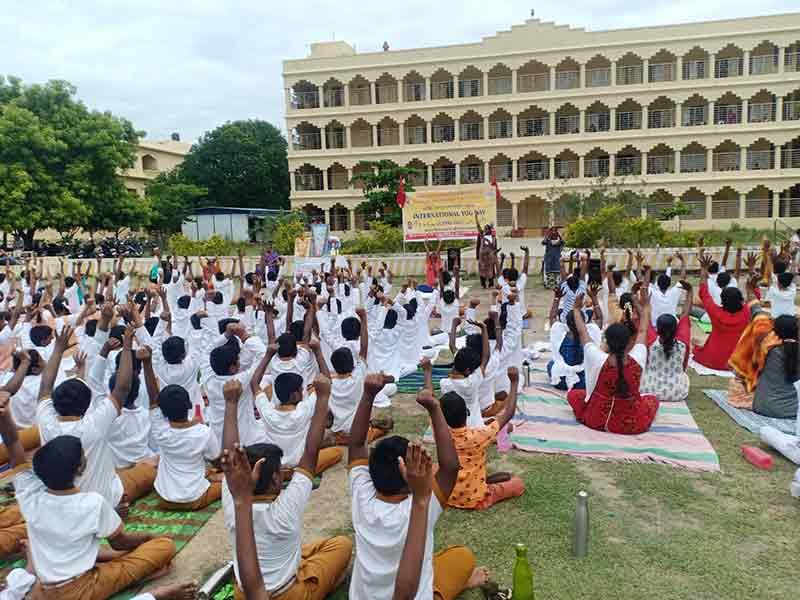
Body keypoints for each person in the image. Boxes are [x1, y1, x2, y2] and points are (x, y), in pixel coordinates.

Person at [0, 396, 182, 600]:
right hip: (83, 588)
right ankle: (135, 577)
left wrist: (5, 415)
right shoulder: (92, 503)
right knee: (164, 545)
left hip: (44, 591)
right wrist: (150, 537)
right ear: (80, 468)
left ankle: (112, 565)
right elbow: (120, 542)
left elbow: (13, 443)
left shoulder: (29, 495)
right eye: (83, 455)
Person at [347, 372, 488, 599]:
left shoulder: (361, 494)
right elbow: (451, 467)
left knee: (431, 562)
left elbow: (355, 445)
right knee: (462, 557)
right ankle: (450, 588)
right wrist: (434, 408)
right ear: (409, 478)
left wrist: (368, 395)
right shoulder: (421, 505)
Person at [221, 375, 353, 600]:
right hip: (288, 594)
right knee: (342, 544)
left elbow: (229, 456)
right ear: (275, 480)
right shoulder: (286, 507)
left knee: (308, 551)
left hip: (243, 594)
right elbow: (310, 453)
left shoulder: (234, 499)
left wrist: (230, 403)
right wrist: (323, 397)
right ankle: (320, 584)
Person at [567, 290, 660, 435]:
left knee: (574, 395)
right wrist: (645, 305)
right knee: (652, 400)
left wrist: (576, 309)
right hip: (630, 425)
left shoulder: (597, 358)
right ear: (630, 340)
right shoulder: (637, 358)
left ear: (607, 342)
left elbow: (582, 331)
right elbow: (643, 330)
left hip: (596, 420)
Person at [440, 366, 524, 510]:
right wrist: (514, 382)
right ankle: (485, 483)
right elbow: (508, 413)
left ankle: (484, 480)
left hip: (446, 494)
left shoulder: (440, 434)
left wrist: (428, 372)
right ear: (466, 414)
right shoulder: (479, 435)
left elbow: (430, 405)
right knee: (518, 483)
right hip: (475, 498)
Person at [150, 378, 222, 511]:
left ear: (162, 412)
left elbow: (153, 401)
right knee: (228, 484)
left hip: (164, 497)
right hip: (195, 498)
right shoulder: (203, 432)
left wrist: (147, 363)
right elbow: (217, 461)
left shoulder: (160, 430)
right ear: (190, 405)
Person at [693, 253, 751, 372]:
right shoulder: (746, 312)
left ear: (722, 302)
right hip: (738, 361)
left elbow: (703, 293)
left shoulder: (715, 312)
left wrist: (703, 269)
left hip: (712, 359)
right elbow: (754, 296)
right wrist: (751, 270)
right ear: (741, 301)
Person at [641, 283, 693, 402]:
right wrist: (689, 292)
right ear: (677, 329)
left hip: (649, 388)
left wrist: (644, 299)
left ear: (657, 330)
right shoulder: (682, 343)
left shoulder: (651, 340)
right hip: (677, 392)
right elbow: (685, 314)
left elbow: (645, 317)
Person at [547, 285, 602, 391]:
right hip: (582, 382)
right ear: (584, 322)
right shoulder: (590, 334)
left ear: (566, 323)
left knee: (551, 364)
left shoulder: (559, 332)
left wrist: (557, 298)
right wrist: (594, 298)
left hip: (561, 381)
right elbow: (599, 318)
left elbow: (553, 317)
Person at [475, 212, 498, 289]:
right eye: (484, 229)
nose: (485, 230)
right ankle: (483, 284)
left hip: (490, 257)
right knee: (482, 269)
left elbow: (494, 247)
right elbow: (478, 226)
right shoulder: (482, 235)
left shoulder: (493, 237)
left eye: (486, 229)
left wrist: (495, 255)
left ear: (489, 230)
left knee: (490, 269)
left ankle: (491, 284)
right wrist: (476, 217)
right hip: (482, 257)